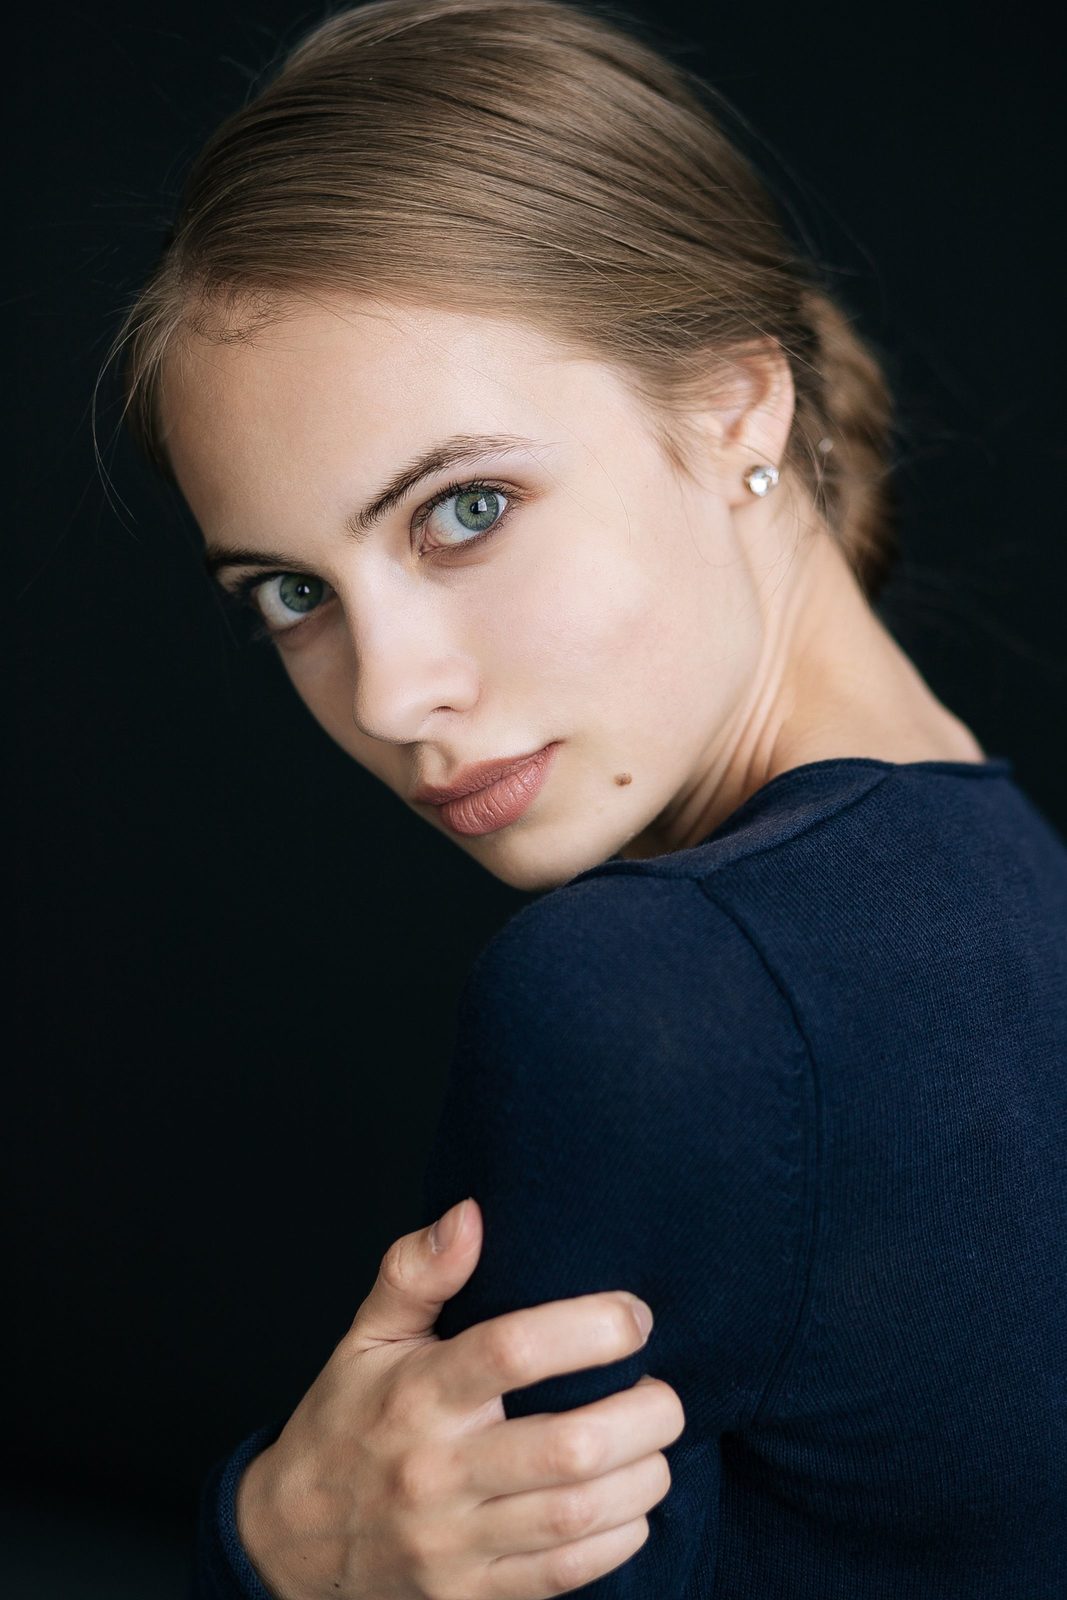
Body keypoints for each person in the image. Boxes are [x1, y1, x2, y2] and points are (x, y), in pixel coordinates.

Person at [105, 1, 1067, 1595]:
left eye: (464, 509)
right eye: (291, 593)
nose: (388, 695)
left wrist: (281, 1544)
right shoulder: (1024, 879)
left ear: (738, 403)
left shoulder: (645, 992)